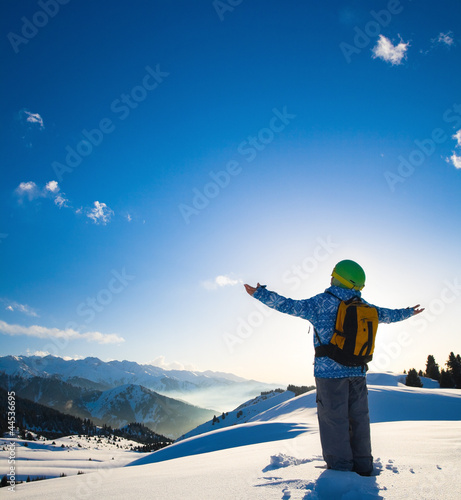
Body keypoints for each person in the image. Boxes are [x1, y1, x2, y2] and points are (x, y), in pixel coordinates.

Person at [244, 259, 424, 476]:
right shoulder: (365, 306)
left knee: (334, 423)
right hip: (357, 372)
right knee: (359, 421)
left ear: (336, 277)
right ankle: (364, 467)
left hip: (329, 375)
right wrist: (408, 312)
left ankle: (341, 474)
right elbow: (387, 315)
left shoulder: (321, 303)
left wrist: (260, 294)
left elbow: (288, 305)